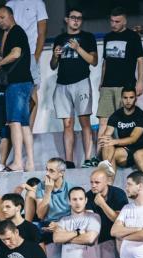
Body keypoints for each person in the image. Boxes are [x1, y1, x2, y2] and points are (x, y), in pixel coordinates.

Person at [50, 6, 98, 168]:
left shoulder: (88, 37)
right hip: (62, 83)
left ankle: (88, 158)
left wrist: (78, 48)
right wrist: (55, 56)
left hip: (81, 82)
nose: (76, 20)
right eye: (73, 17)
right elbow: (53, 65)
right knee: (67, 124)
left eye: (79, 18)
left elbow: (94, 60)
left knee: (85, 121)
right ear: (67, 19)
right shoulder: (59, 38)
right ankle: (69, 161)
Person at [0, 5, 35, 172]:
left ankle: (18, 161)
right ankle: (30, 162)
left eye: (2, 17)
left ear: (11, 16)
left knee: (15, 122)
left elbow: (16, 53)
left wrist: (0, 63)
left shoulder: (16, 31)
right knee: (24, 123)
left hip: (17, 83)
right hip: (24, 82)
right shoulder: (12, 33)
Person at [97, 7, 143, 139]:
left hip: (125, 85)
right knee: (103, 122)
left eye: (117, 21)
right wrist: (101, 82)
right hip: (107, 85)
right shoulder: (107, 37)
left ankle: (126, 155)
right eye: (111, 21)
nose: (113, 24)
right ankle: (101, 158)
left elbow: (140, 60)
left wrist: (140, 82)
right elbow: (105, 62)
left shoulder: (133, 36)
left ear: (124, 21)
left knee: (125, 122)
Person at [99, 87, 143, 170]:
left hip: (138, 150)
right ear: (121, 98)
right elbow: (107, 134)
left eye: (131, 97)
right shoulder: (116, 115)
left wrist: (114, 141)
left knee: (113, 153)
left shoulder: (141, 115)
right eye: (125, 98)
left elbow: (133, 139)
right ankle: (106, 166)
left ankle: (106, 170)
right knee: (107, 139)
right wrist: (106, 140)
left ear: (135, 99)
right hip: (122, 149)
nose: (128, 101)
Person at [85, 165, 128, 244]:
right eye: (91, 182)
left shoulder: (119, 193)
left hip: (117, 237)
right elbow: (89, 222)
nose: (93, 185)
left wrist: (102, 204)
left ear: (106, 182)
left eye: (97, 182)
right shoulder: (88, 196)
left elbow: (118, 220)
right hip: (97, 236)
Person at [35, 157, 74, 230]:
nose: (47, 173)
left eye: (51, 171)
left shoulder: (72, 188)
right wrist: (47, 192)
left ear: (61, 173)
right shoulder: (41, 186)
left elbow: (76, 215)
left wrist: (59, 224)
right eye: (46, 169)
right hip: (47, 223)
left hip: (65, 224)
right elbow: (40, 215)